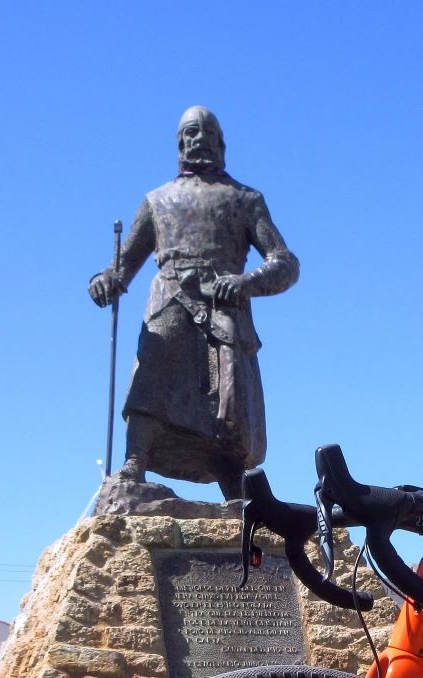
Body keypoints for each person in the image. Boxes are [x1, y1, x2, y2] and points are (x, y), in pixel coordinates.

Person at [89, 107, 299, 499]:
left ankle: (235, 488)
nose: (196, 140)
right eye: (188, 133)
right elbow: (122, 267)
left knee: (226, 402)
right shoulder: (157, 201)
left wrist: (245, 282)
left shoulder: (245, 199)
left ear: (221, 143)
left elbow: (285, 263)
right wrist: (105, 281)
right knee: (151, 375)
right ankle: (135, 459)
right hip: (170, 300)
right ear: (178, 144)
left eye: (205, 133)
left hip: (224, 309)